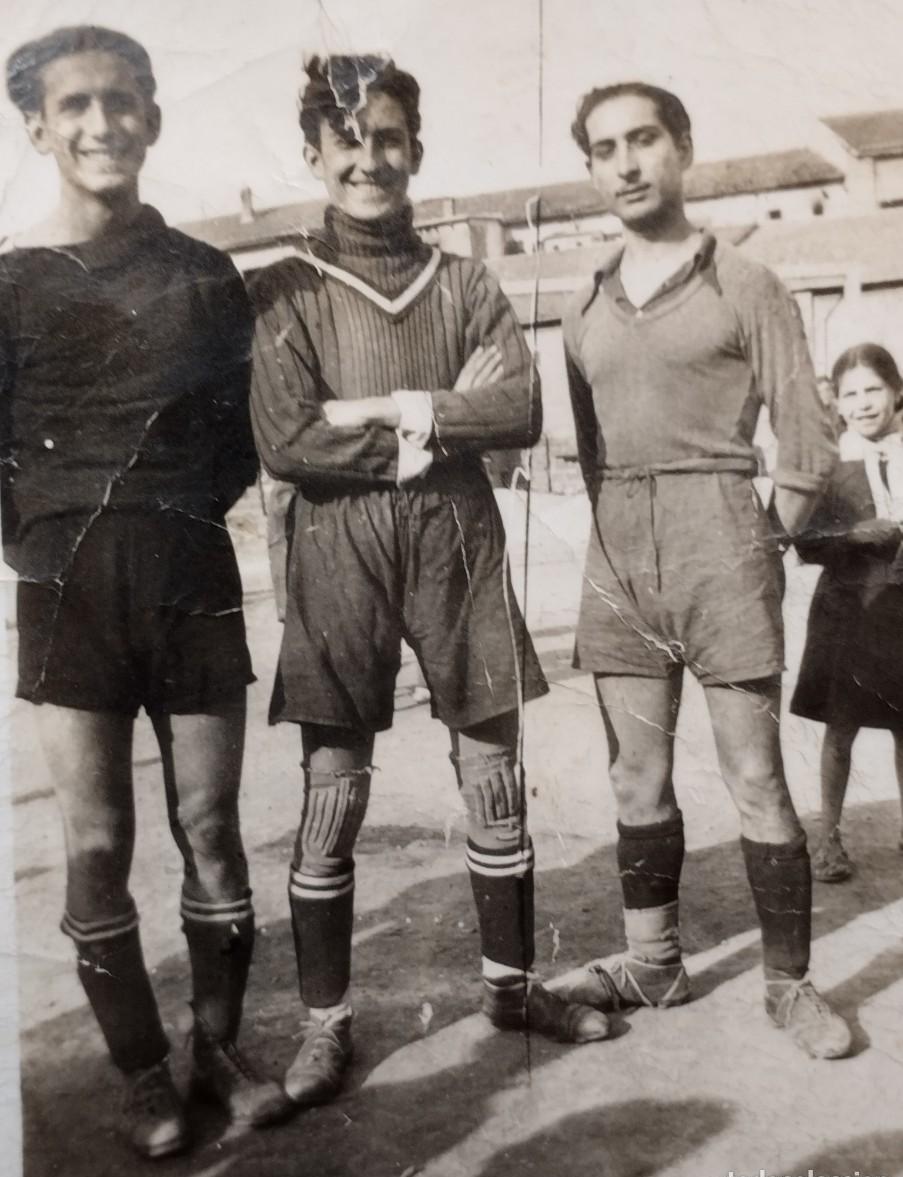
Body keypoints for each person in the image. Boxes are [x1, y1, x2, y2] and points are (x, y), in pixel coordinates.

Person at [250, 53, 610, 1108]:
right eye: (348, 141)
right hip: (338, 547)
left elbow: (520, 412)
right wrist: (434, 416)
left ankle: (508, 986)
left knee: (494, 767)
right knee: (333, 790)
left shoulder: (464, 280)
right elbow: (286, 439)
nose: (371, 158)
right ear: (315, 153)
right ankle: (326, 1026)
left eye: (390, 137)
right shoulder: (283, 288)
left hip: (459, 538)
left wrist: (374, 414)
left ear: (419, 148)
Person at [2, 25, 291, 1158]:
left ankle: (219, 1047)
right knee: (93, 843)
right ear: (36, 127)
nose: (100, 124)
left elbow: (235, 445)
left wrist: (163, 518)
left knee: (213, 826)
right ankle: (140, 1073)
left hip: (189, 574)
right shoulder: (10, 281)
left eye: (121, 102)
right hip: (66, 585)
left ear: (154, 119)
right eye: (73, 106)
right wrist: (50, 543)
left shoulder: (202, 273)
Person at [554, 81, 852, 1059]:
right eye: (605, 149)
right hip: (620, 558)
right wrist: (620, 534)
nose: (627, 163)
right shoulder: (585, 301)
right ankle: (655, 962)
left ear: (682, 147)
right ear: (592, 168)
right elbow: (592, 449)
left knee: (756, 778)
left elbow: (806, 443)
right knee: (636, 779)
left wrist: (758, 538)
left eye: (645, 139)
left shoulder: (746, 281)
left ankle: (789, 985)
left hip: (722, 538)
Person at [791, 343, 903, 881]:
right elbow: (804, 540)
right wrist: (856, 533)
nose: (863, 403)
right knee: (842, 728)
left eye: (874, 390)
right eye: (850, 393)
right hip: (848, 610)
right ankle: (829, 839)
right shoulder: (830, 463)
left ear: (898, 392)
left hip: (901, 609)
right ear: (835, 403)